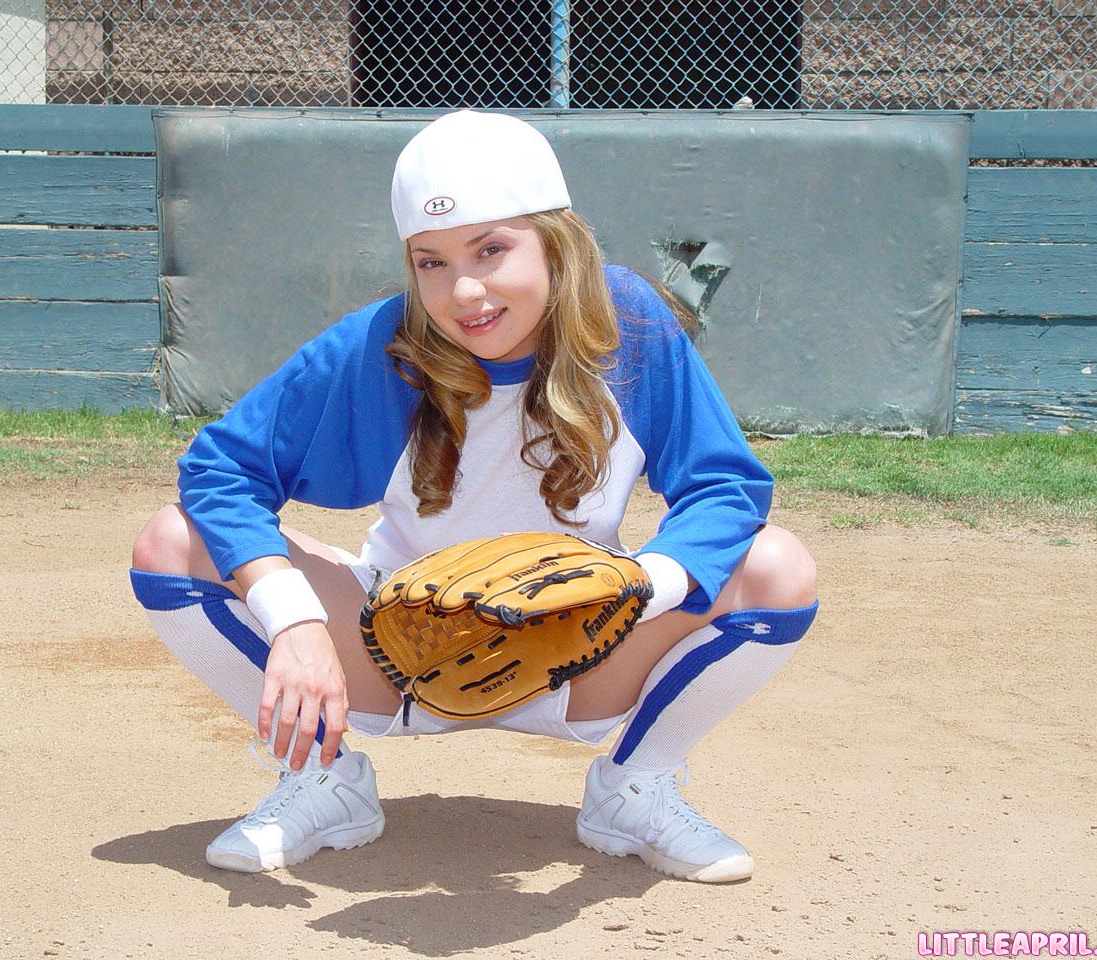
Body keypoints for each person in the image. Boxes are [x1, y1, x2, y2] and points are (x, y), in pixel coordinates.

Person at [129, 110, 818, 883]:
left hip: (580, 650)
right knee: (170, 541)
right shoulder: (386, 343)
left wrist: (642, 585)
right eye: (430, 262)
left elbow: (725, 485)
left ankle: (635, 787)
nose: (463, 290)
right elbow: (220, 471)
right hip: (400, 651)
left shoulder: (628, 326)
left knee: (776, 566)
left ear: (557, 239)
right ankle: (321, 778)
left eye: (492, 249)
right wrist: (290, 618)